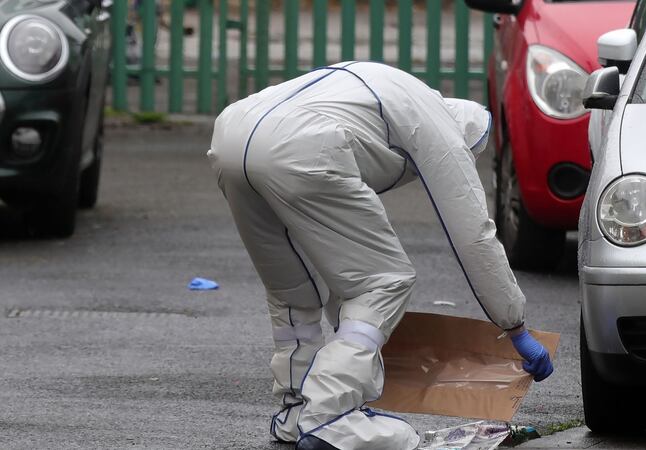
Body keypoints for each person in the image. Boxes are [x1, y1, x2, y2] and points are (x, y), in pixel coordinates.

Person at [208, 61, 554, 450]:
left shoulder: (388, 89)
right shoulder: (439, 126)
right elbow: (474, 236)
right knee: (383, 283)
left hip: (232, 134)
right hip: (304, 145)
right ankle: (327, 414)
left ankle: (295, 412)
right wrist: (515, 326)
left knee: (293, 290)